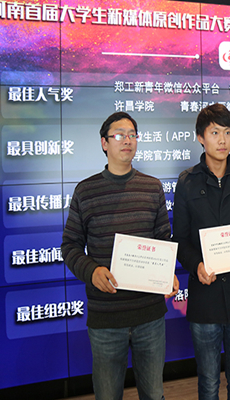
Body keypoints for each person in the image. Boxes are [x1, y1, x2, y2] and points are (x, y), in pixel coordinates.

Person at [61, 111, 179, 400]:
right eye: (119, 135)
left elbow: (163, 239)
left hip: (149, 315)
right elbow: (70, 245)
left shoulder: (152, 187)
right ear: (104, 143)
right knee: (107, 395)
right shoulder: (86, 191)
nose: (127, 140)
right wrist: (92, 271)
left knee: (154, 394)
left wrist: (168, 273)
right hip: (106, 318)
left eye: (132, 135)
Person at [172, 103, 230, 400]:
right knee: (209, 384)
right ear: (201, 137)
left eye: (227, 132)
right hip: (205, 299)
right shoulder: (187, 182)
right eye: (215, 133)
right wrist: (196, 265)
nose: (222, 140)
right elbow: (180, 239)